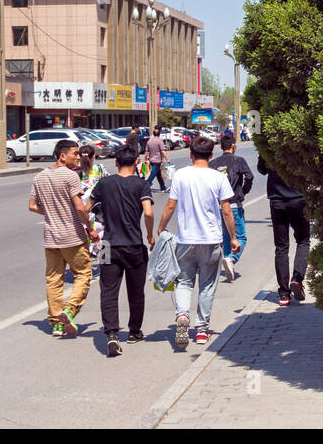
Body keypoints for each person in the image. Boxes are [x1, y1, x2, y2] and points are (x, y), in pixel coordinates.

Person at [156, 134, 239, 348]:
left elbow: (170, 206)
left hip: (185, 241)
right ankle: (202, 331)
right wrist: (233, 237)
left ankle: (182, 316)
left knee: (184, 282)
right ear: (211, 156)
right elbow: (227, 210)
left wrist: (160, 228)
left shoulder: (181, 176)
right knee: (207, 286)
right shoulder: (218, 178)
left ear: (191, 154)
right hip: (211, 241)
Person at [90, 146, 155, 356]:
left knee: (108, 291)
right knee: (135, 291)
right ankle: (134, 332)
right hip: (134, 245)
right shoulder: (141, 184)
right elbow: (148, 211)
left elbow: (84, 209)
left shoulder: (104, 183)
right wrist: (150, 234)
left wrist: (91, 230)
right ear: (136, 161)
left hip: (108, 244)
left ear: (116, 162)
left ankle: (111, 334)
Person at [28, 138, 96, 337]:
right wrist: (90, 228)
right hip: (72, 236)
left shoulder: (39, 177)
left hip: (51, 238)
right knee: (83, 274)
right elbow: (79, 208)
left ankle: (56, 324)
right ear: (62, 156)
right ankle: (70, 310)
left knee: (53, 280)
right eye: (75, 153)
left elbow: (32, 206)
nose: (78, 157)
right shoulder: (71, 176)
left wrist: (51, 213)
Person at [257, 153, 309, 306]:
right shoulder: (299, 141)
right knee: (303, 240)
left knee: (281, 247)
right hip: (299, 199)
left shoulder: (268, 144)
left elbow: (262, 169)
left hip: (277, 201)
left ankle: (284, 294)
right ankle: (297, 279)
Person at [208, 132, 253, 281]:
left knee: (226, 237)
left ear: (221, 147)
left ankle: (228, 261)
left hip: (218, 207)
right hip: (233, 205)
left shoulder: (213, 164)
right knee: (241, 236)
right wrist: (243, 191)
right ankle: (232, 259)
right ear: (233, 146)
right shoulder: (238, 160)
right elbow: (250, 176)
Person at [76, 144, 105, 278]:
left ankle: (84, 271)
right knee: (107, 232)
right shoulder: (98, 168)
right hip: (96, 209)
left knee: (84, 240)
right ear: (94, 156)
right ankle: (105, 265)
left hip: (79, 210)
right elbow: (107, 183)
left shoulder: (75, 171)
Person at [145, 126, 168, 192]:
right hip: (157, 160)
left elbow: (146, 151)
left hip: (151, 160)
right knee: (153, 174)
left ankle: (162, 186)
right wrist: (167, 159)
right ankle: (146, 185)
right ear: (159, 133)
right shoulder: (159, 141)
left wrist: (145, 159)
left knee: (158, 175)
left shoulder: (149, 141)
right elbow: (162, 151)